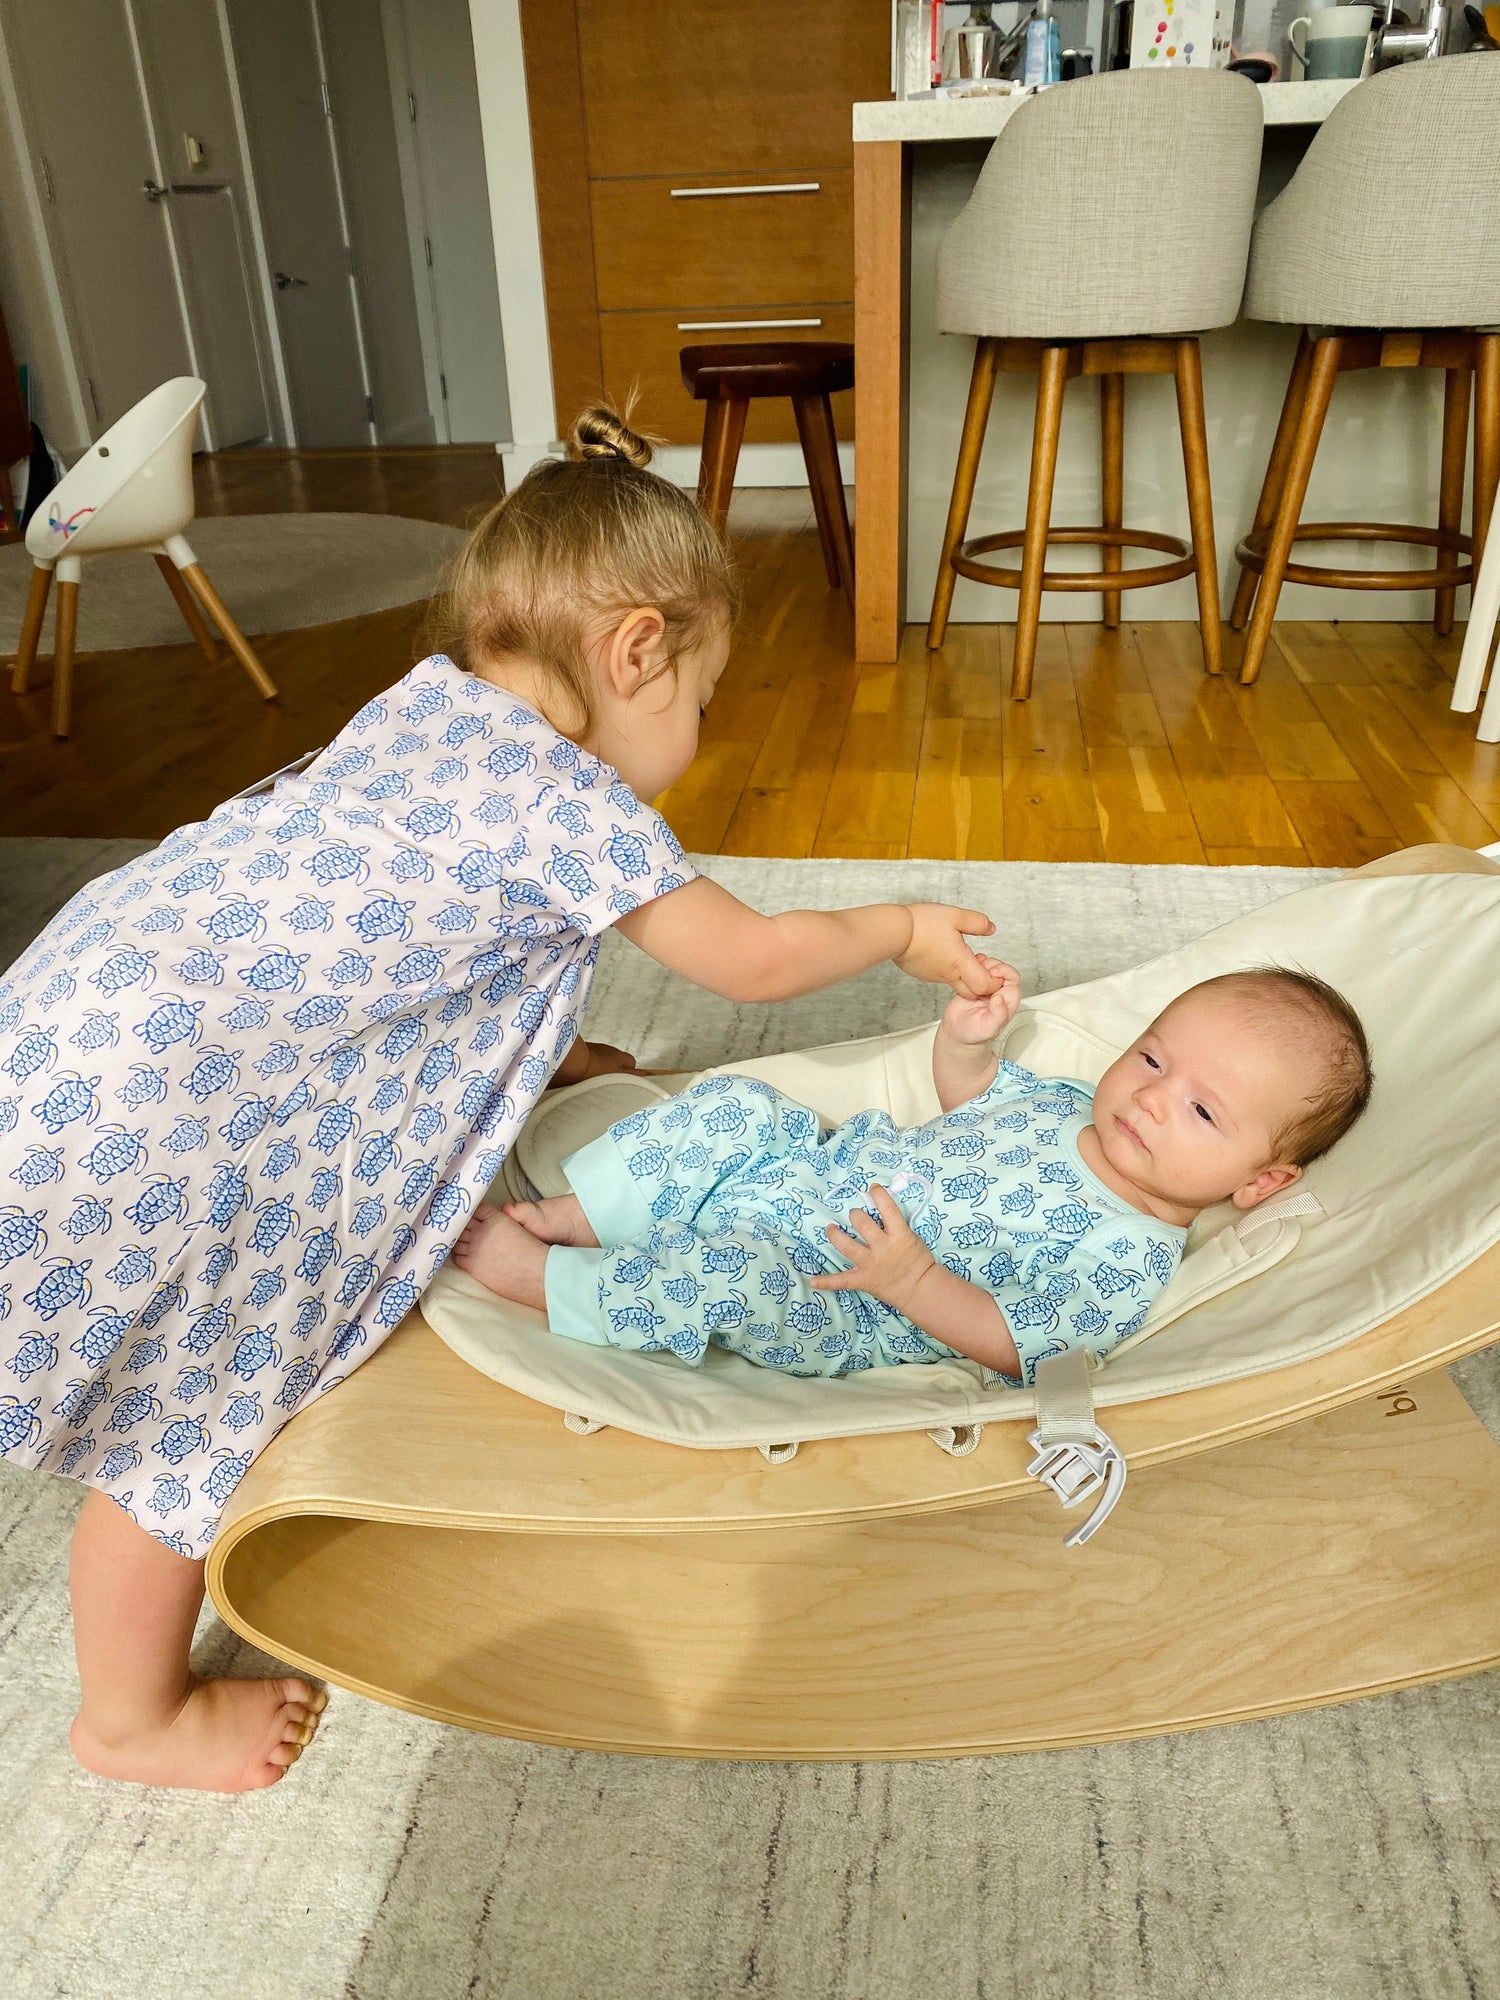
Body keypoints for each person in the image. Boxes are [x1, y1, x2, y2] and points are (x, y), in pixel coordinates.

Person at [0, 408, 1002, 1792]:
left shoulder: (423, 703)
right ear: (637, 651)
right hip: (176, 1107)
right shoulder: (576, 808)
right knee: (187, 1418)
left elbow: (419, 941)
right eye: (704, 696)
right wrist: (900, 928)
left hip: (85, 1002)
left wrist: (548, 1056)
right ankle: (129, 1718)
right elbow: (756, 960)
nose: (700, 730)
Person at [452, 964, 1372, 1384]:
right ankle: (584, 1214)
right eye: (1152, 1058)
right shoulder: (1064, 1106)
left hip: (843, 1295)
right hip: (810, 1176)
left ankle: (558, 1284)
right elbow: (969, 1100)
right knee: (738, 1103)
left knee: (732, 1273)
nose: (1154, 1099)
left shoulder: (1130, 1253)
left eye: (1203, 1113)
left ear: (1260, 1183)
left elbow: (1026, 1347)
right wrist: (963, 1045)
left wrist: (913, 1281)